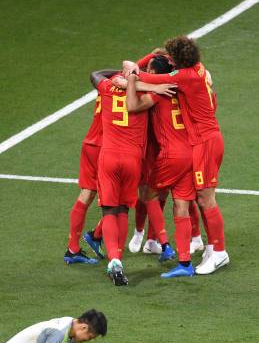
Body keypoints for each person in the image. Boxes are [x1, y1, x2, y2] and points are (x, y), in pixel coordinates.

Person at [129, 36, 229, 275]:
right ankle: (211, 246)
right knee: (198, 198)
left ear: (178, 60)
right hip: (204, 140)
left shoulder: (184, 76)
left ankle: (219, 252)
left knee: (205, 199)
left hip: (204, 141)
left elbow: (146, 77)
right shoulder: (199, 69)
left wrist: (131, 70)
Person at [90, 70, 176, 285]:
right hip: (133, 160)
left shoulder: (107, 88)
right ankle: (119, 255)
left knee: (108, 209)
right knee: (122, 210)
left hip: (108, 156)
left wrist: (119, 75)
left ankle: (115, 260)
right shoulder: (146, 96)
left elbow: (95, 74)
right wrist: (142, 81)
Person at [125, 55, 198, 276]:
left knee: (148, 193)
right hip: (191, 153)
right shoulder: (182, 90)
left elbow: (132, 106)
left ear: (156, 73)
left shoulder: (158, 95)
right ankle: (185, 263)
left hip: (171, 155)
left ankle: (163, 244)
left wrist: (132, 80)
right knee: (181, 206)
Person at [64, 69, 119, 265]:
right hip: (107, 148)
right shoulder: (131, 91)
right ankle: (96, 235)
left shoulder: (106, 86)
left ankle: (73, 249)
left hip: (90, 143)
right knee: (118, 200)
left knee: (86, 194)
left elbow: (97, 73)